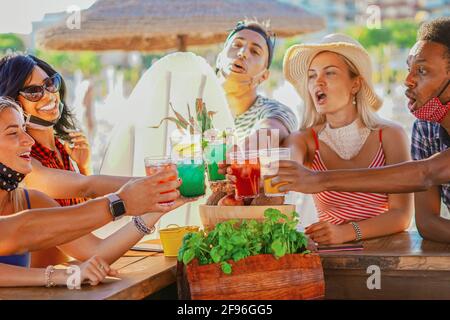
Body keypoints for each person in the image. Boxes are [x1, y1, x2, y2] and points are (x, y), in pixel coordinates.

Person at [271, 18, 450, 243]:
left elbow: (424, 175)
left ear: (356, 84)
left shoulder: (390, 134)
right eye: (312, 75)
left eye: (422, 70)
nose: (407, 81)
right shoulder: (425, 129)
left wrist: (319, 180)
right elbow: (426, 223)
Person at [0, 97, 192, 287]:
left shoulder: (27, 200)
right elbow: (20, 229)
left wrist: (156, 208)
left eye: (24, 130)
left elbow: (95, 250)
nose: (29, 140)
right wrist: (121, 201)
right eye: (13, 133)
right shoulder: (26, 208)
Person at [0, 54, 145, 266]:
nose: (48, 95)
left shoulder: (61, 148)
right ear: (12, 102)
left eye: (50, 84)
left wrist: (84, 166)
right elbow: (85, 188)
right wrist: (154, 185)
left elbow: (85, 220)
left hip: (71, 274)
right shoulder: (26, 166)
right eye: (33, 91)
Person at [215, 19, 298, 149]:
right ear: (219, 59)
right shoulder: (196, 109)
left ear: (263, 76)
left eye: (255, 51)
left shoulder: (274, 111)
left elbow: (269, 132)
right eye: (236, 45)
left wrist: (236, 156)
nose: (242, 53)